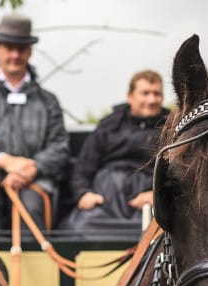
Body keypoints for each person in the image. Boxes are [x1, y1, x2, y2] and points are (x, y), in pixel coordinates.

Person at [0, 13, 70, 231]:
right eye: (9, 47)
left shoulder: (48, 101)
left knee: (31, 204)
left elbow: (60, 147)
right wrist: (2, 160)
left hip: (36, 181)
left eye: (21, 49)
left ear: (30, 51)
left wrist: (32, 168)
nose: (15, 55)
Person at [59, 70, 170, 233]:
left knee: (161, 233)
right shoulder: (109, 125)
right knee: (76, 228)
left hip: (148, 207)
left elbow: (180, 173)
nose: (151, 100)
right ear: (130, 96)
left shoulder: (172, 128)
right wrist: (84, 194)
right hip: (105, 203)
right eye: (145, 93)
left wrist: (157, 195)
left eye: (156, 94)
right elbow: (83, 167)